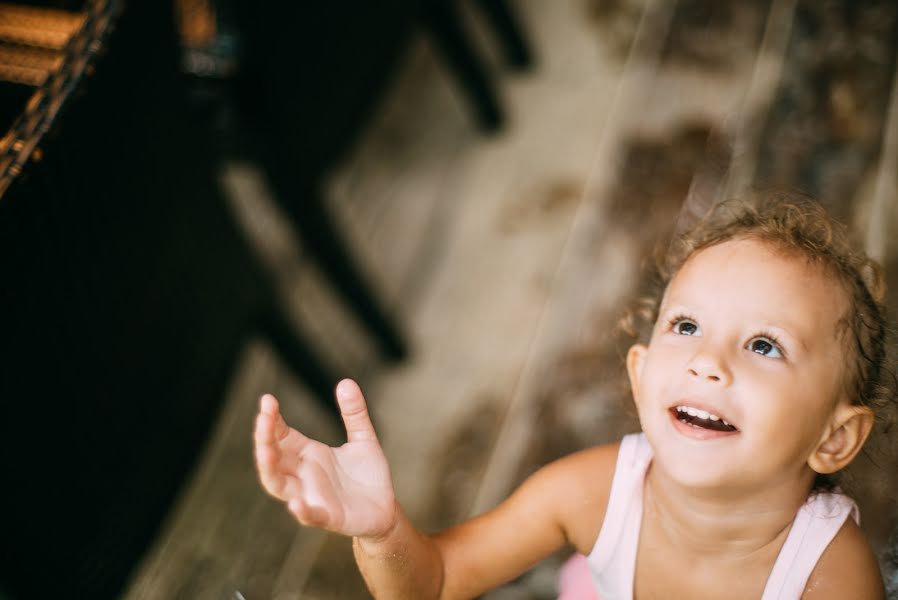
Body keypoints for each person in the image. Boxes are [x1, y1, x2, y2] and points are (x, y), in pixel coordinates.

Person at [254, 193, 894, 598]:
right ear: (641, 376)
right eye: (687, 326)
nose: (707, 361)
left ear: (832, 437)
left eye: (763, 345)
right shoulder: (590, 494)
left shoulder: (830, 578)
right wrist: (381, 529)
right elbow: (437, 580)